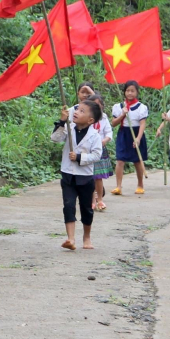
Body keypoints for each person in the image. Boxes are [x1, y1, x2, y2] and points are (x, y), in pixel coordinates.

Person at [52, 100, 103, 250]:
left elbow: (97, 155)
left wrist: (80, 157)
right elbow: (55, 138)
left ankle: (86, 237)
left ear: (90, 120)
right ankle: (71, 238)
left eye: (82, 111)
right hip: (68, 174)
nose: (76, 112)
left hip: (85, 177)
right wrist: (61, 121)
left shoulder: (94, 136)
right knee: (68, 205)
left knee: (86, 208)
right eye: (77, 109)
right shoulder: (69, 127)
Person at [110, 81, 149, 195]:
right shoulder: (119, 107)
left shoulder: (141, 107)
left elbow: (142, 124)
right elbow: (113, 123)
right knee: (120, 160)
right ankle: (118, 186)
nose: (130, 93)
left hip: (136, 133)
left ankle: (140, 185)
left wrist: (138, 138)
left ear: (137, 92)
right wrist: (122, 114)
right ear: (124, 92)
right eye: (127, 90)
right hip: (123, 133)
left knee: (137, 160)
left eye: (132, 91)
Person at [88, 93, 113, 211]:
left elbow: (109, 133)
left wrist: (104, 140)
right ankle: (92, 200)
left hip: (100, 149)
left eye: (98, 105)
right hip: (88, 150)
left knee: (98, 177)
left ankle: (100, 200)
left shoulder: (104, 118)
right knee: (90, 176)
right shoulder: (86, 117)